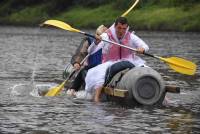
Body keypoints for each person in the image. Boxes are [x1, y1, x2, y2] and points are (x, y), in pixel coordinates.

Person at [85, 17, 149, 102]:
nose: (121, 31)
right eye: (119, 28)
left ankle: (163, 96)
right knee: (101, 74)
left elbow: (146, 46)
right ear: (115, 27)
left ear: (126, 28)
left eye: (124, 29)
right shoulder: (106, 36)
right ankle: (96, 97)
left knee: (147, 69)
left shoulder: (131, 36)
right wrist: (96, 42)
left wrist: (142, 49)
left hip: (130, 61)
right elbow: (90, 51)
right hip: (110, 62)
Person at [66, 25, 108, 96]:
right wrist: (77, 62)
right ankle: (73, 90)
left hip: (105, 66)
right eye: (99, 35)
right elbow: (81, 53)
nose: (101, 37)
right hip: (92, 67)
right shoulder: (90, 40)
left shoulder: (111, 41)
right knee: (83, 71)